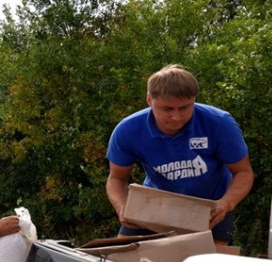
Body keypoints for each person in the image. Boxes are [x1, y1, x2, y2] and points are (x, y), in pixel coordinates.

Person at [106, 64, 254, 246]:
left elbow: (243, 173)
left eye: (185, 108)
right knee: (123, 258)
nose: (177, 117)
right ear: (149, 101)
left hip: (209, 208)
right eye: (167, 109)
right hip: (155, 204)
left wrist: (226, 203)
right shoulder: (128, 130)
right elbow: (117, 179)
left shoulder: (219, 123)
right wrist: (122, 207)